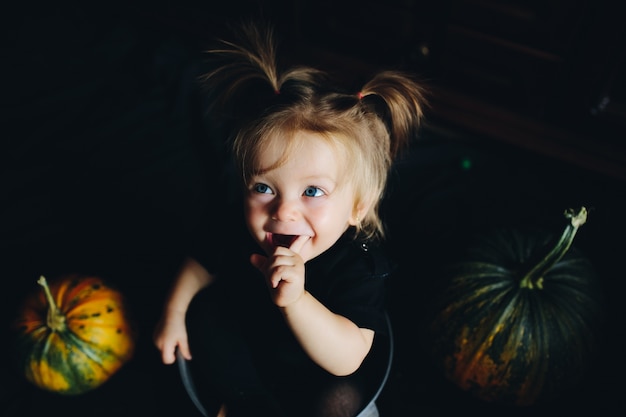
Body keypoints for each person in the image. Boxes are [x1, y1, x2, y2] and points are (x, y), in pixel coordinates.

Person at [153, 22, 427, 417]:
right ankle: (246, 405)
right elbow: (201, 261)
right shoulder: (238, 228)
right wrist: (174, 313)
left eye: (312, 192)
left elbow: (347, 359)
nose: (282, 212)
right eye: (263, 187)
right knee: (210, 316)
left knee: (343, 399)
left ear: (357, 207)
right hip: (253, 360)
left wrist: (295, 301)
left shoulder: (359, 267)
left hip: (323, 378)